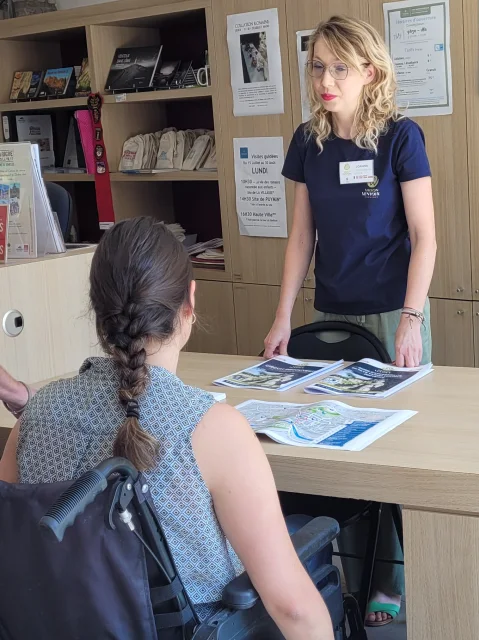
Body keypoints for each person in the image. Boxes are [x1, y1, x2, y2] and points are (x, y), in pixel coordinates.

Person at [0, 217, 333, 640]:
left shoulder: (35, 416)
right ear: (189, 303)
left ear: (98, 311)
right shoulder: (213, 430)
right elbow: (293, 609)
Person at [264, 15, 437, 627]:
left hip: (394, 314)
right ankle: (340, 565)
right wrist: (283, 317)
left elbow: (424, 237)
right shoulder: (307, 143)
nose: (326, 80)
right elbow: (300, 238)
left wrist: (412, 319)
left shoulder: (400, 137)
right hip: (331, 315)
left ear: (371, 72)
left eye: (340, 67)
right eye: (317, 67)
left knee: (395, 454)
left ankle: (389, 580)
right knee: (334, 449)